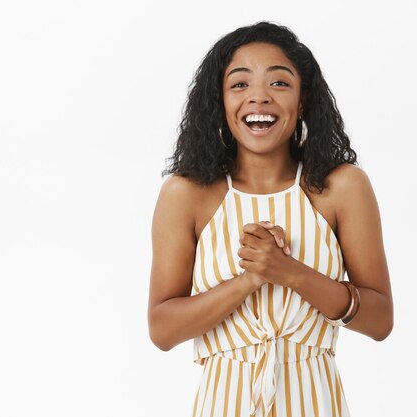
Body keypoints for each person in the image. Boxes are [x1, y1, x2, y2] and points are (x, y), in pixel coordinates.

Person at [147, 21, 393, 417]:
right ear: (220, 100)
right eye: (240, 84)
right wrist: (250, 280)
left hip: (316, 403)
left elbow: (380, 320)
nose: (258, 98)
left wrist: (290, 272)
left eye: (279, 83)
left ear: (303, 97)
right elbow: (162, 329)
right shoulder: (186, 194)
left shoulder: (343, 188)